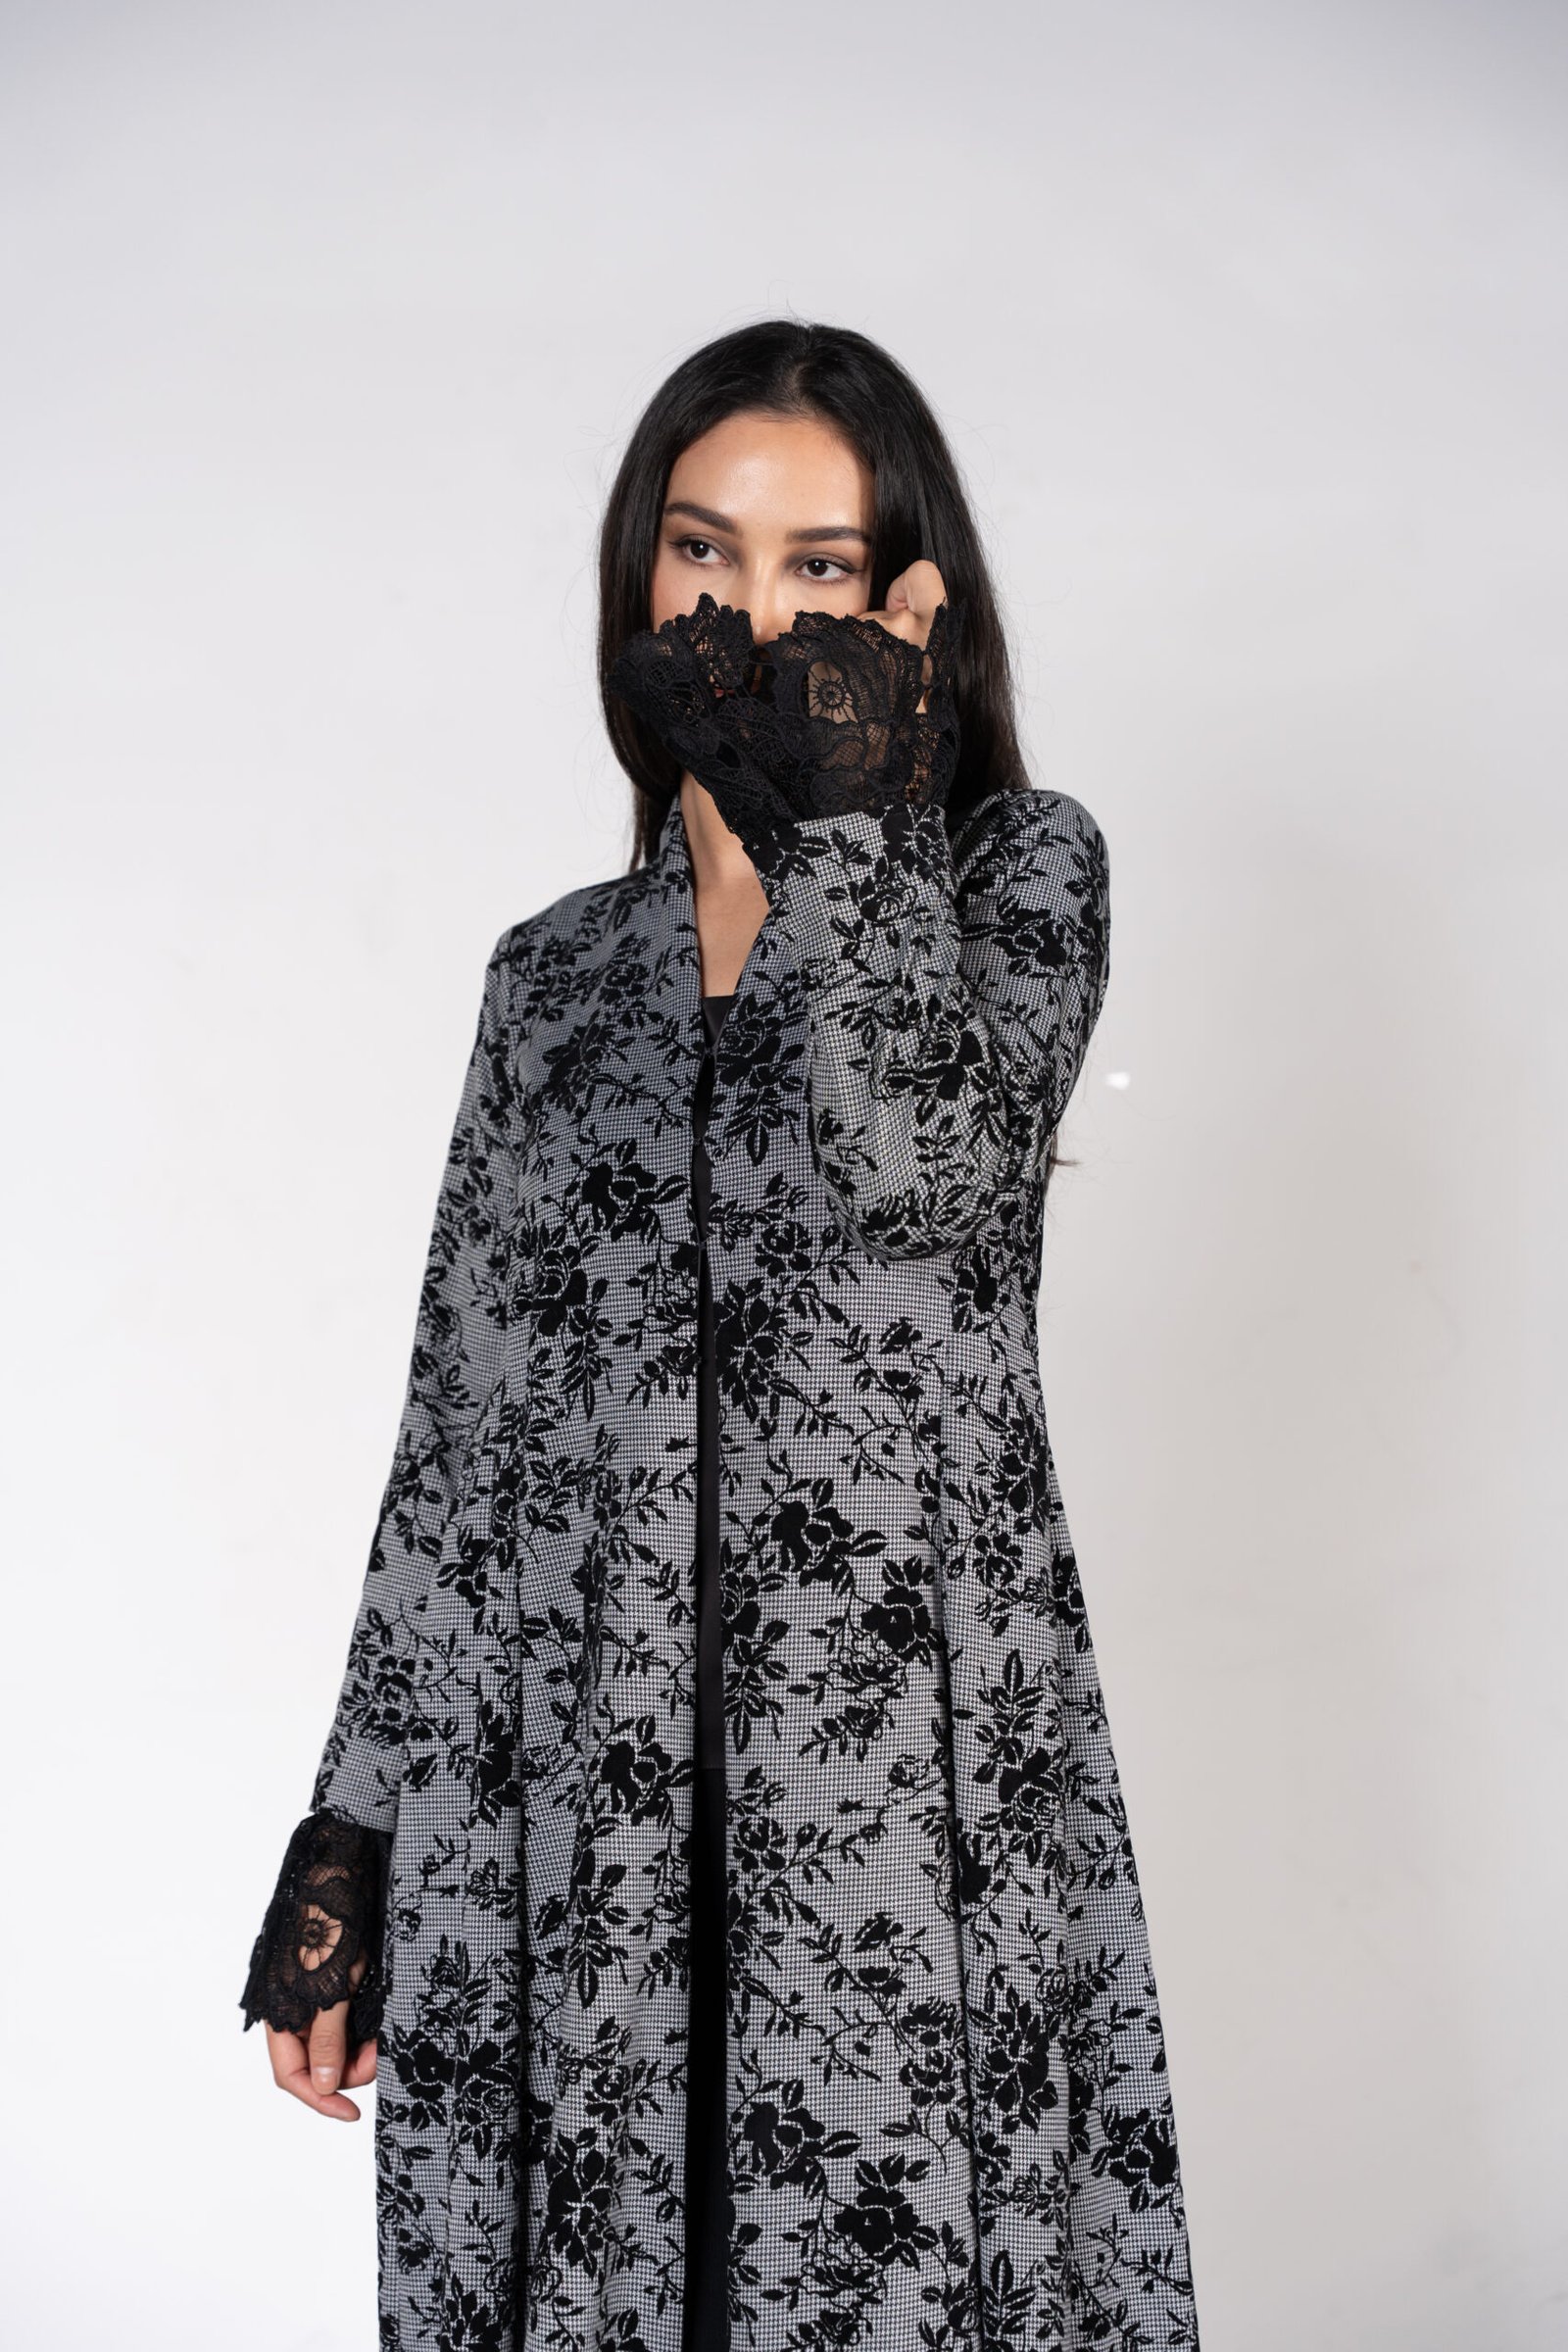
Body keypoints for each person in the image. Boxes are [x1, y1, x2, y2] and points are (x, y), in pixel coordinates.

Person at [238, 318, 1201, 2352]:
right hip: (571, 1803)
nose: (748, 615)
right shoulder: (550, 979)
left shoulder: (1019, 882)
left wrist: (843, 826)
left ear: (906, 602)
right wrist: (352, 1838)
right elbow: (459, 1439)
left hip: (896, 1808)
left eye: (815, 565)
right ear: (637, 570)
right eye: (702, 550)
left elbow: (930, 1198)